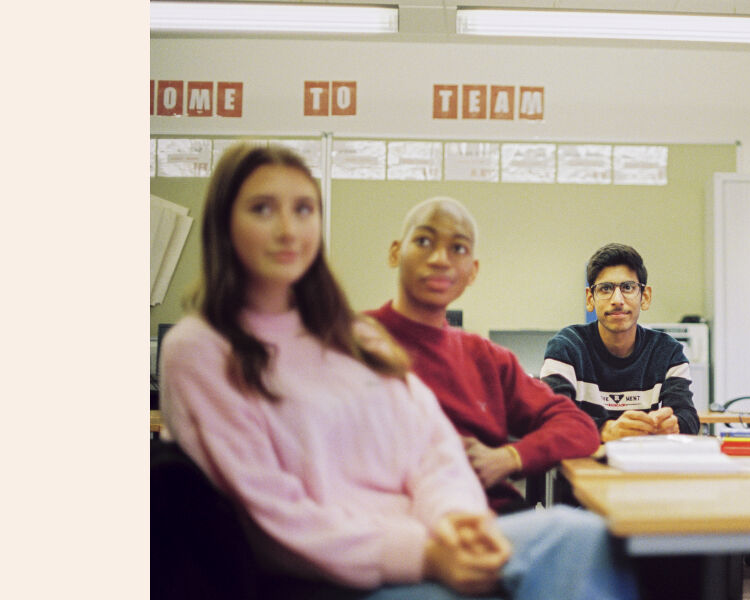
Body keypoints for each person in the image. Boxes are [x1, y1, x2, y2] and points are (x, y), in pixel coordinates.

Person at [159, 143, 636, 600]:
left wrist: (459, 521)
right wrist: (429, 556)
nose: (288, 230)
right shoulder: (201, 349)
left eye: (303, 210)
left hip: (439, 535)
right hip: (348, 571)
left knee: (579, 536)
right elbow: (271, 515)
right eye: (263, 208)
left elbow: (431, 451)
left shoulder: (350, 338)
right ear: (224, 223)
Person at [364, 197, 600, 515]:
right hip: (393, 523)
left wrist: (509, 458)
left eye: (458, 248)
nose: (439, 259)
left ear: (472, 271)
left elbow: (577, 426)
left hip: (494, 519)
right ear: (395, 252)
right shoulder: (352, 343)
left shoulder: (487, 359)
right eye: (423, 241)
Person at [540, 243, 700, 441]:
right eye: (605, 288)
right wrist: (606, 430)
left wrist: (672, 425)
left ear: (645, 297)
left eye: (627, 287)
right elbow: (550, 419)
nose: (617, 299)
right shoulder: (567, 348)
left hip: (644, 468)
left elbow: (688, 418)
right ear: (590, 298)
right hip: (583, 468)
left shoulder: (668, 352)